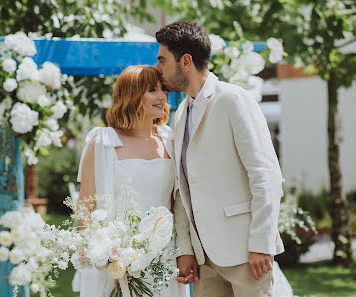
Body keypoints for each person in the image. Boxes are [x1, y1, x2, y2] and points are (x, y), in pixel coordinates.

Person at [155, 21, 287, 297]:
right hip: (204, 261)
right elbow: (182, 190)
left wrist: (261, 243)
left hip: (246, 254)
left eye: (162, 60)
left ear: (186, 61)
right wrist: (186, 250)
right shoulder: (180, 114)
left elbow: (266, 175)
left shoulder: (233, 100)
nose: (158, 69)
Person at [74, 65, 188, 297]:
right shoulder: (103, 142)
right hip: (116, 264)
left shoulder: (169, 140)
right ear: (132, 95)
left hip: (162, 259)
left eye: (163, 90)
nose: (162, 97)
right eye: (152, 90)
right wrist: (109, 258)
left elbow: (177, 204)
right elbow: (85, 208)